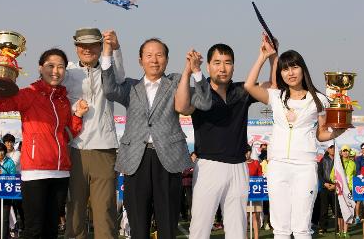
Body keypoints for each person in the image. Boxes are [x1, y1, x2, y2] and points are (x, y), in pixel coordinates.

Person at [101, 38, 211, 238]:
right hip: (136, 159)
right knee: (137, 225)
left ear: (167, 60)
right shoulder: (130, 87)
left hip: (168, 160)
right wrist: (107, 50)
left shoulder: (177, 83)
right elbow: (108, 90)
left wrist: (196, 71)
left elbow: (204, 102)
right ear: (140, 60)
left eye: (159, 55)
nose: (154, 60)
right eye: (149, 55)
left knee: (167, 225)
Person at [244, 35, 346, 238]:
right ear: (281, 73)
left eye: (294, 67)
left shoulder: (320, 100)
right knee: (280, 228)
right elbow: (249, 86)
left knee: (301, 227)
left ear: (303, 69)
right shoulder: (276, 96)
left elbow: (321, 134)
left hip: (305, 167)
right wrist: (263, 56)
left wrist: (339, 131)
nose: (290, 73)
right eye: (285, 68)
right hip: (278, 166)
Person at [175, 40, 276, 239]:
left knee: (237, 229)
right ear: (208, 66)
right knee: (200, 230)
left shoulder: (242, 91)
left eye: (227, 62)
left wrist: (269, 56)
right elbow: (181, 106)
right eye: (217, 62)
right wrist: (188, 71)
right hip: (208, 167)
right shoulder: (198, 93)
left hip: (239, 167)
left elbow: (273, 85)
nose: (222, 68)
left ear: (233, 66)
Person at [0, 48, 89, 239]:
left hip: (61, 172)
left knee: (51, 229)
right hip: (35, 172)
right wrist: (2, 71)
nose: (56, 71)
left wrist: (77, 116)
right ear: (40, 68)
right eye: (51, 66)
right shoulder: (30, 93)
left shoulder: (62, 100)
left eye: (61, 67)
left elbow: (67, 134)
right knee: (34, 230)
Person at [63, 28, 125, 239]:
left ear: (100, 46)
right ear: (76, 47)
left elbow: (120, 75)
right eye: (83, 45)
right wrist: (74, 108)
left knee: (105, 210)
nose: (87, 49)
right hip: (74, 149)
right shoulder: (68, 72)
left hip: (104, 149)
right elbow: (58, 102)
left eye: (92, 45)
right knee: (74, 209)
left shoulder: (108, 70)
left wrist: (115, 48)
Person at [331, 145, 356, 238]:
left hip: (349, 191)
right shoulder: (338, 163)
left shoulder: (353, 163)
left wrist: (352, 186)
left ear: (349, 152)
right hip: (340, 191)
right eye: (344, 151)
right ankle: (340, 231)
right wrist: (334, 179)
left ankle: (345, 232)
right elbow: (332, 175)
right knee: (340, 213)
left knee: (349, 210)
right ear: (341, 152)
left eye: (347, 151)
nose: (346, 152)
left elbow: (354, 175)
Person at [317, 144, 336, 235]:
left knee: (336, 209)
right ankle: (322, 228)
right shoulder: (323, 160)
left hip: (335, 187)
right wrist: (324, 183)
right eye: (331, 148)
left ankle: (338, 228)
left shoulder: (338, 160)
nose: (332, 150)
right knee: (324, 209)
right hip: (325, 187)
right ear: (328, 149)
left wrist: (335, 185)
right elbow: (319, 173)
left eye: (333, 148)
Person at [246, 147, 262, 239]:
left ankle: (256, 237)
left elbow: (260, 176)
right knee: (245, 216)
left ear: (250, 152)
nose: (246, 154)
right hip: (244, 194)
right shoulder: (240, 164)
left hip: (255, 193)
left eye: (248, 151)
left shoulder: (256, 163)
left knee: (255, 216)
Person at [355, 143, 364, 224]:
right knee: (359, 200)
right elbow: (357, 170)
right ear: (361, 150)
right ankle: (357, 216)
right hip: (361, 180)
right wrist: (363, 176)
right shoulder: (358, 159)